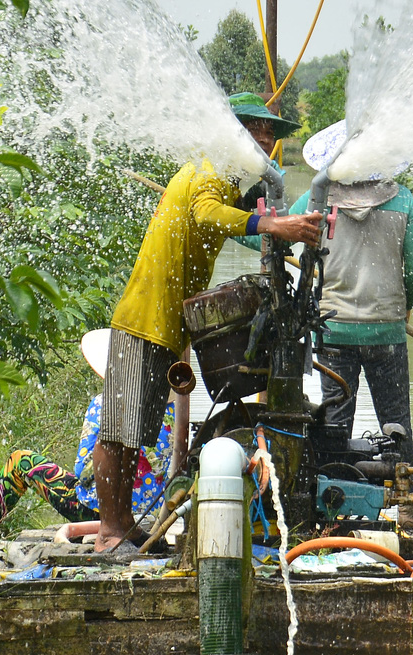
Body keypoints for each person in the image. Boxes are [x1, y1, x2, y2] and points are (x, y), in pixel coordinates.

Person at [93, 92, 320, 556]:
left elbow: (231, 216)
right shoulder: (210, 169)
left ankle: (124, 525)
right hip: (143, 318)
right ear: (230, 133)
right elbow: (207, 215)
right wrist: (272, 227)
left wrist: (274, 221)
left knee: (136, 430)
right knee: (119, 432)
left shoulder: (226, 176)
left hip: (163, 323)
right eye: (254, 132)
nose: (263, 143)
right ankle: (109, 530)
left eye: (269, 136)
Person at [288, 120, 413, 472]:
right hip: (387, 332)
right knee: (396, 423)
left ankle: (332, 501)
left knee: (334, 424)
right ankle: (406, 502)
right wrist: (404, 306)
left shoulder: (315, 201)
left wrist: (238, 222)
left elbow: (273, 235)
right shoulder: (403, 201)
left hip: (333, 331)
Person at [0, 392, 176, 552]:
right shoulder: (174, 414)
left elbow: (84, 472)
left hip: (98, 511)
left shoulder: (104, 403)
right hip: (148, 515)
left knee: (20, 461)